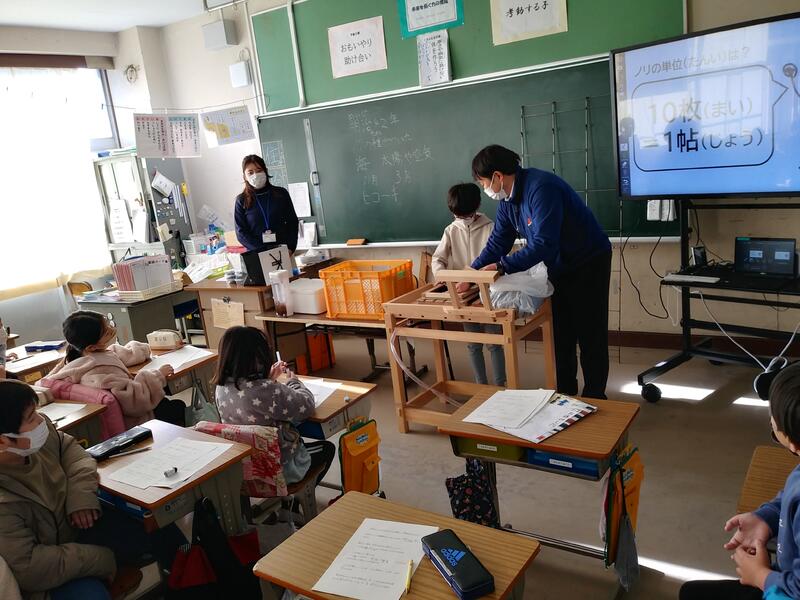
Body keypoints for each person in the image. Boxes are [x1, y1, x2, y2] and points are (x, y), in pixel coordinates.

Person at [0, 379, 180, 600]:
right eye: (31, 418)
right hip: (51, 571)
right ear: (2, 442)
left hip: (79, 528)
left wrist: (80, 497)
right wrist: (102, 559)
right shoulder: (4, 501)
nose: (41, 421)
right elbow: (31, 568)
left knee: (160, 525)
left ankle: (192, 585)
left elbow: (73, 452)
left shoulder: (38, 436)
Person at [469, 144, 612, 399]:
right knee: (561, 333)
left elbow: (544, 244)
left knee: (590, 332)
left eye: (484, 183)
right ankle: (566, 395)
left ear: (498, 176)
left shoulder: (541, 187)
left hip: (588, 261)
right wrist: (472, 273)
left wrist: (502, 266)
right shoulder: (507, 200)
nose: (485, 189)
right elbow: (498, 242)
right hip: (557, 265)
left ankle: (595, 397)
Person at [680, 362, 800, 600]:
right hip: (781, 578)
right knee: (691, 592)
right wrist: (766, 517)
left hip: (781, 590)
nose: (771, 420)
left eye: (773, 418)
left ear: (794, 443)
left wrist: (760, 576)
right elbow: (791, 496)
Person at [213, 326, 335, 486]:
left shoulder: (221, 388)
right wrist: (294, 382)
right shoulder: (268, 391)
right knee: (327, 448)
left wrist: (268, 379)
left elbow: (252, 397)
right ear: (259, 357)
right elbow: (306, 405)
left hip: (247, 468)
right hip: (281, 470)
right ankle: (301, 495)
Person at [46, 311, 185, 427]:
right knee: (178, 407)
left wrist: (140, 351)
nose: (112, 330)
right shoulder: (97, 376)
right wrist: (158, 375)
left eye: (108, 324)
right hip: (137, 422)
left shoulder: (85, 355)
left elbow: (117, 354)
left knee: (170, 399)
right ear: (92, 347)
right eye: (107, 332)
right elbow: (135, 402)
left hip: (138, 406)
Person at [432, 183, 506, 386]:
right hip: (463, 296)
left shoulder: (490, 227)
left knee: (495, 342)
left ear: (477, 207)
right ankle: (480, 386)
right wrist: (441, 275)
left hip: (489, 293)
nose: (461, 219)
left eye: (465, 215)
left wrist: (473, 278)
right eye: (458, 215)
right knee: (473, 344)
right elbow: (438, 259)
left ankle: (500, 386)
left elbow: (499, 259)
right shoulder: (451, 230)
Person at [234, 154, 299, 254]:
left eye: (259, 170)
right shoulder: (241, 200)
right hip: (257, 254)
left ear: (265, 171)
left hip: (284, 252)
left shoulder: (281, 194)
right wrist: (263, 252)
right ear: (245, 177)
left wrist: (290, 247)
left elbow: (292, 222)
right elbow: (241, 233)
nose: (255, 175)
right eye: (250, 172)